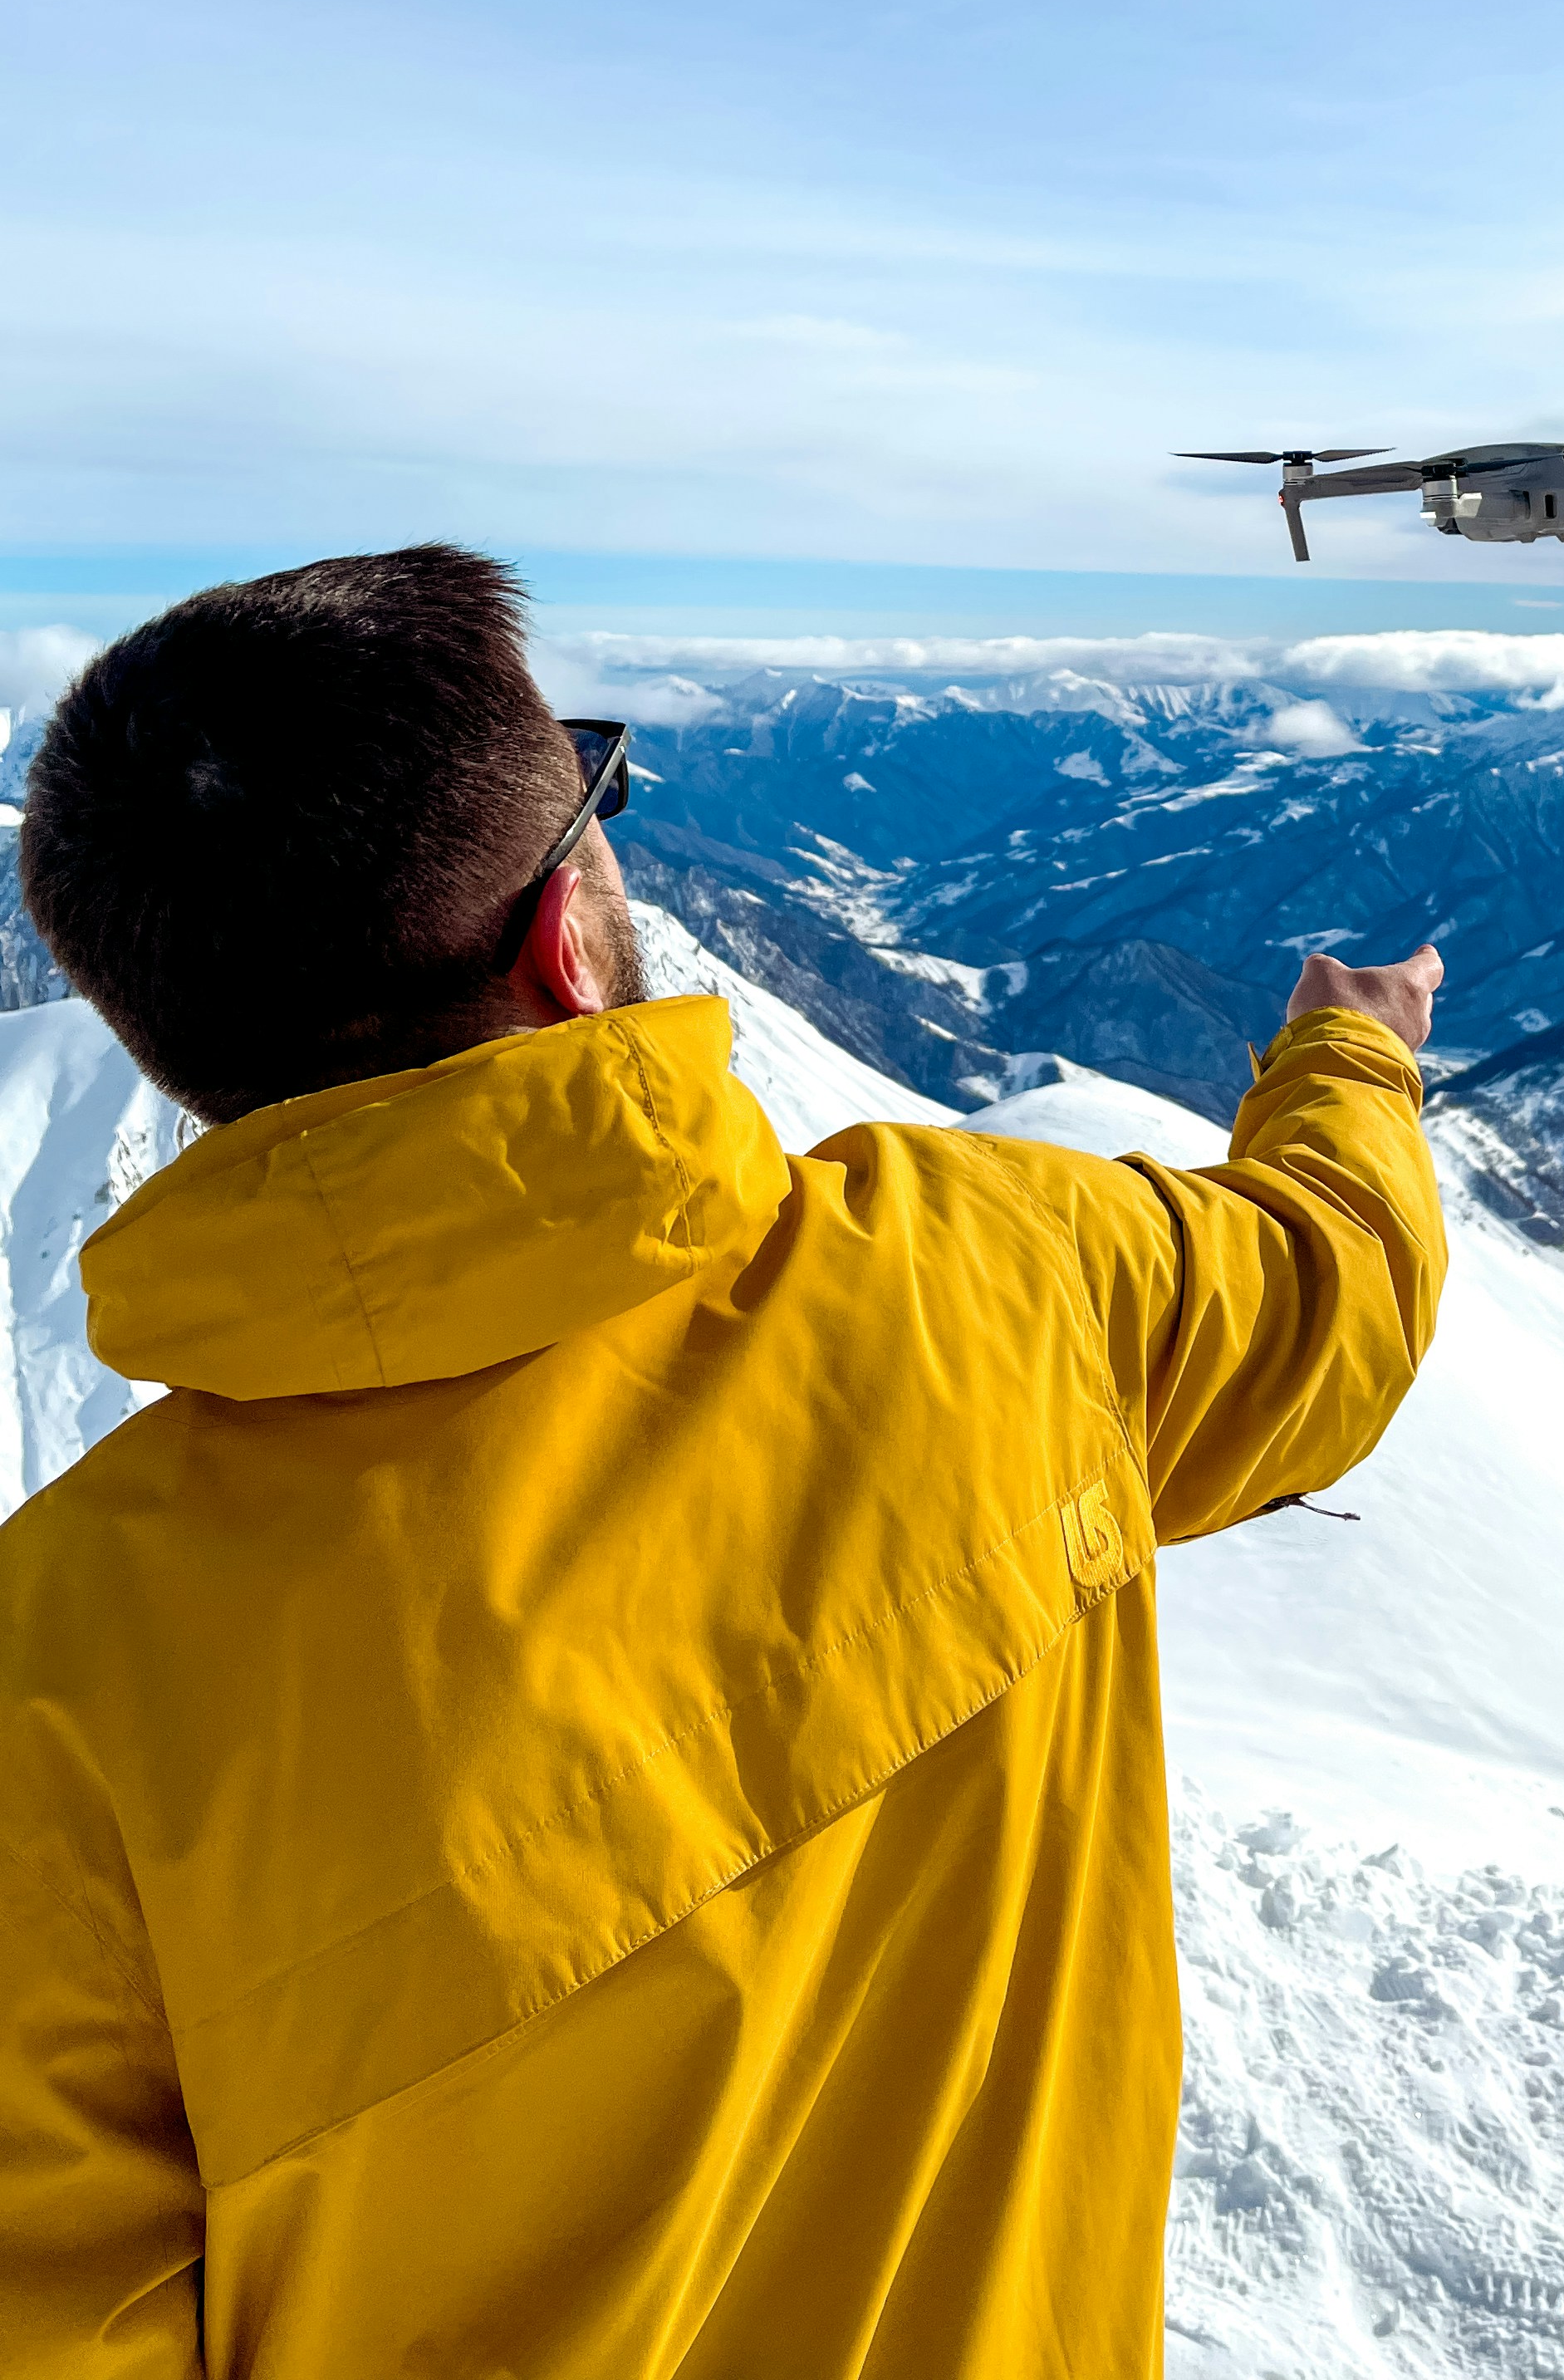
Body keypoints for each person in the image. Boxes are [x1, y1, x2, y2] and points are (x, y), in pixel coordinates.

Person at [0, 544, 1447, 2379]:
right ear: (561, 937)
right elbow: (1338, 1289)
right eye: (599, 795)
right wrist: (1348, 1056)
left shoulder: (57, 1683)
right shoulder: (999, 1270)